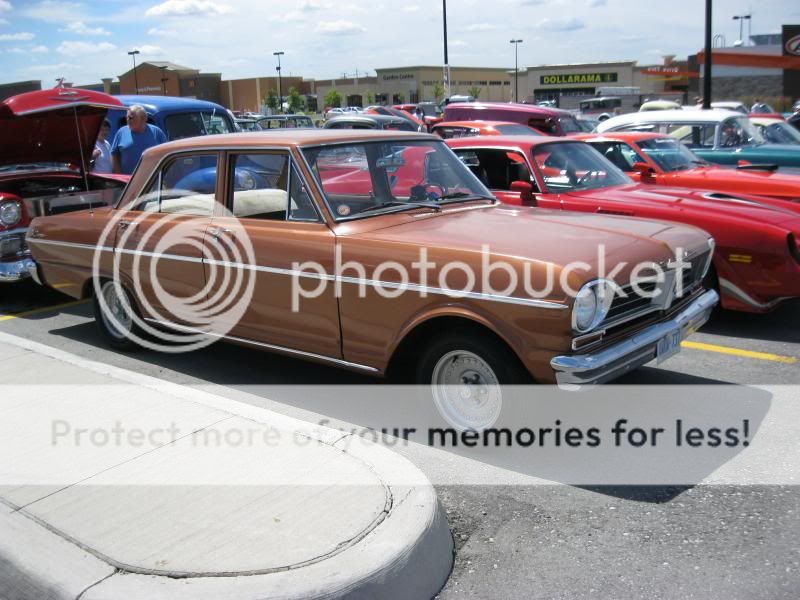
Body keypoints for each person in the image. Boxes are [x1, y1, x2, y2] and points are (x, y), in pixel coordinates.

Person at [110, 105, 167, 175]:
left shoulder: (156, 132)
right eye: (127, 117)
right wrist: (118, 175)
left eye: (131, 118)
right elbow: (114, 154)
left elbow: (166, 154)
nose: (128, 120)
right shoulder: (121, 132)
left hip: (151, 178)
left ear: (143, 118)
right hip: (127, 178)